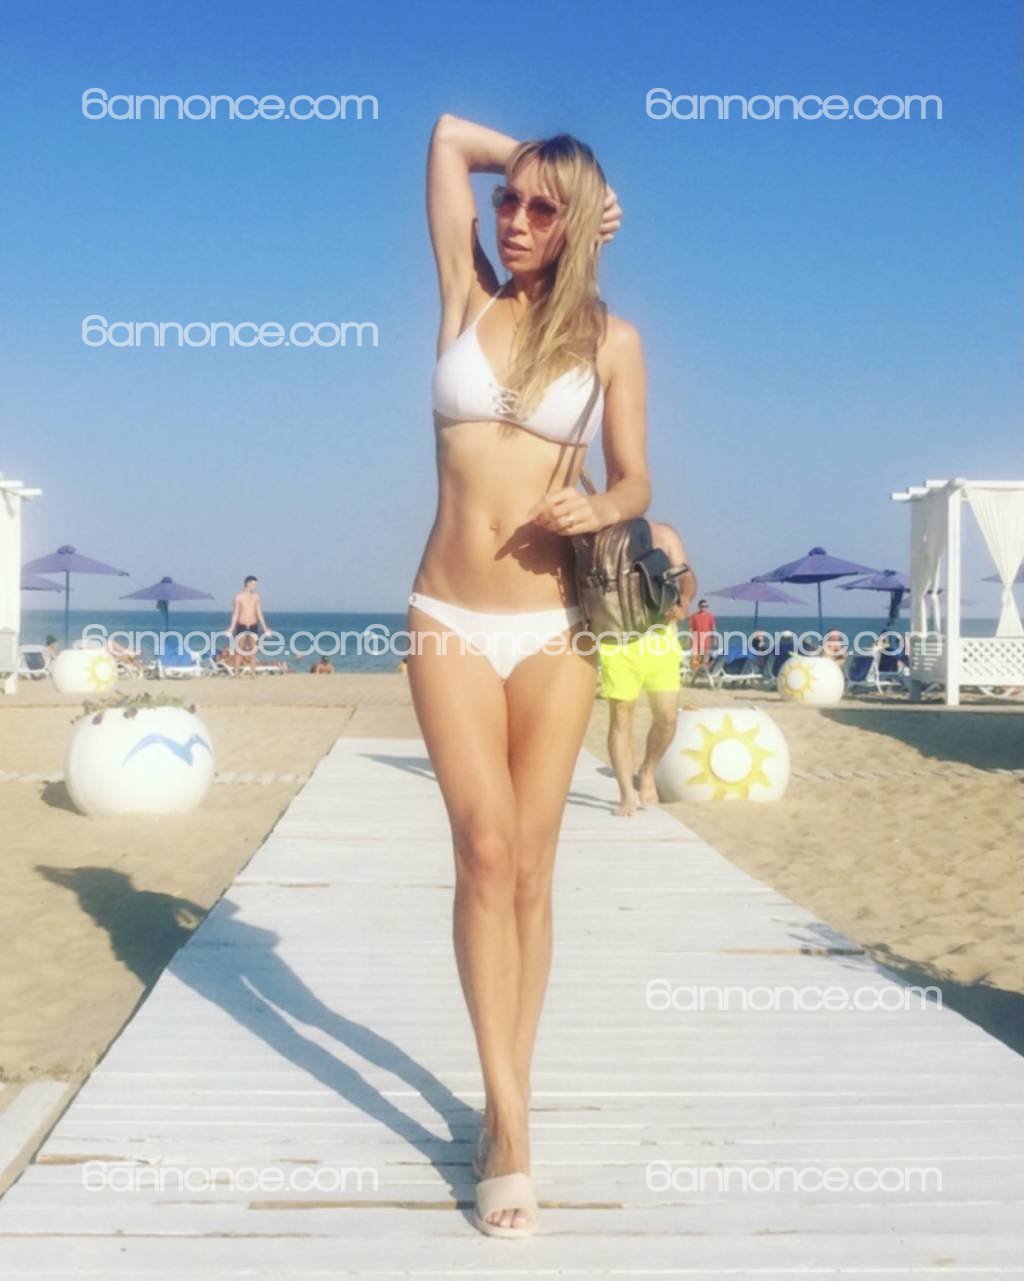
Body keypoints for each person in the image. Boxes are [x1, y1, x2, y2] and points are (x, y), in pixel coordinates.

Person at [405, 114, 641, 1238]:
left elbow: (636, 478)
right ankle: (504, 1120)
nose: (515, 218)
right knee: (483, 850)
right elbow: (449, 137)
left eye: (544, 209)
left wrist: (604, 506)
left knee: (534, 871)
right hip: (448, 613)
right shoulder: (465, 293)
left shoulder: (611, 339)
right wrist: (562, 174)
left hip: (555, 628)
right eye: (511, 201)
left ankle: (515, 1096)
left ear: (577, 229)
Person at [599, 521, 695, 816]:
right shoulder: (602, 534)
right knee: (622, 715)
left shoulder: (663, 533)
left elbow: (686, 576)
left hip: (659, 635)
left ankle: (648, 769)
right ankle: (627, 793)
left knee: (667, 717)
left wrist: (685, 600)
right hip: (616, 637)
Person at [227, 575, 269, 675]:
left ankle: (253, 673)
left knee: (253, 651)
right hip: (242, 625)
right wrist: (231, 628)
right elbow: (235, 613)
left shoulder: (256, 597)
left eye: (255, 584)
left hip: (253, 625)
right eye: (253, 584)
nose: (255, 586)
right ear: (247, 584)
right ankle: (236, 673)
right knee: (239, 651)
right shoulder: (238, 597)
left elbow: (259, 613)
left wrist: (265, 628)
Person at [688, 598, 717, 673]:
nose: (704, 607)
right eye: (702, 606)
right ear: (699, 606)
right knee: (694, 661)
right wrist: (688, 639)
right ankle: (694, 674)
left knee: (705, 661)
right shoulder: (694, 616)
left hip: (706, 641)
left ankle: (704, 674)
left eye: (706, 606)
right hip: (695, 641)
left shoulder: (710, 616)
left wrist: (715, 639)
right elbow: (691, 628)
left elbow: (713, 628)